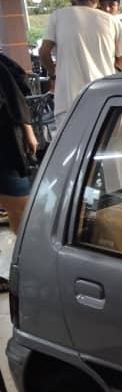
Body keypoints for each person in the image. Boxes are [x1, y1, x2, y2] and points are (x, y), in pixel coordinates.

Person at [40, 0, 122, 126]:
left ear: (72, 2)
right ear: (97, 3)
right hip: (105, 96)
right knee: (106, 145)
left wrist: (54, 75)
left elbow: (44, 53)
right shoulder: (112, 21)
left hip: (68, 98)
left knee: (70, 145)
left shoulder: (58, 16)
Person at [0, 56, 37, 291]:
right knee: (21, 210)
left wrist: (28, 131)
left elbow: (14, 96)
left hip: (3, 145)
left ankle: (31, 265)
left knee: (23, 211)